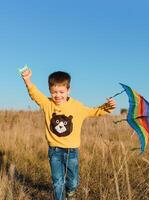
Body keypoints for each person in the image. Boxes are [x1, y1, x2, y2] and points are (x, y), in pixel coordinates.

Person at [21, 68, 116, 200]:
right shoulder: (47, 104)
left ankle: (70, 193)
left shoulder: (77, 106)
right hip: (54, 151)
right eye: (54, 92)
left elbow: (95, 111)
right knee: (57, 182)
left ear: (68, 90)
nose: (58, 95)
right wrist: (27, 80)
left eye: (61, 92)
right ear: (50, 91)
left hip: (71, 151)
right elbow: (35, 94)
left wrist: (109, 106)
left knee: (72, 182)